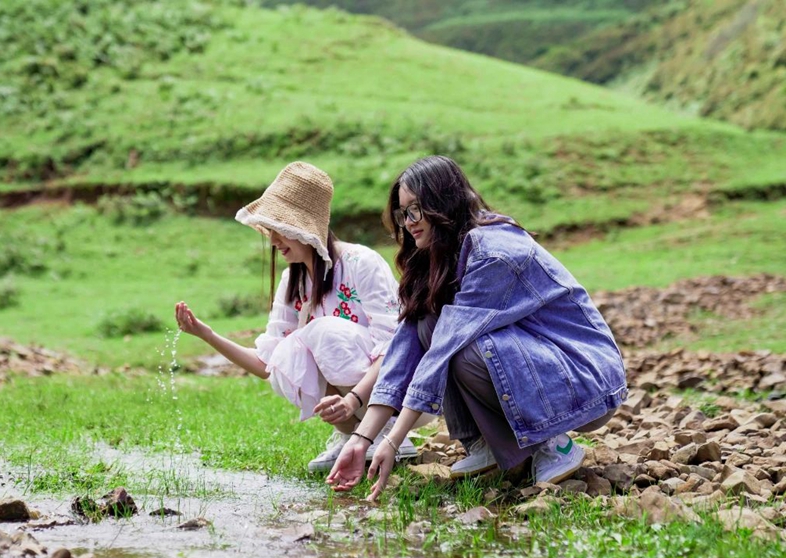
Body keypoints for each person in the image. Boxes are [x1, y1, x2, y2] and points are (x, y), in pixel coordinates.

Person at [326, 155, 627, 501]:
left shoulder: (494, 253)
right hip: (542, 365)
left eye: (415, 209)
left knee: (465, 350)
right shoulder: (437, 256)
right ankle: (487, 441)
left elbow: (445, 348)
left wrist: (393, 441)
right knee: (426, 323)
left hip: (583, 375)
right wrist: (362, 440)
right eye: (402, 213)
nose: (408, 222)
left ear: (442, 203)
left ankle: (552, 443)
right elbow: (405, 348)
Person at [174, 161, 432, 472]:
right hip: (357, 404)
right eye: (270, 230)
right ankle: (350, 433)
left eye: (280, 229)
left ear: (305, 228)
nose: (273, 240)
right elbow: (268, 364)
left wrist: (353, 400)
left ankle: (388, 432)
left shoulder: (361, 262)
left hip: (403, 395)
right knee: (289, 351)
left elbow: (396, 348)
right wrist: (206, 334)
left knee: (321, 332)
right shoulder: (292, 283)